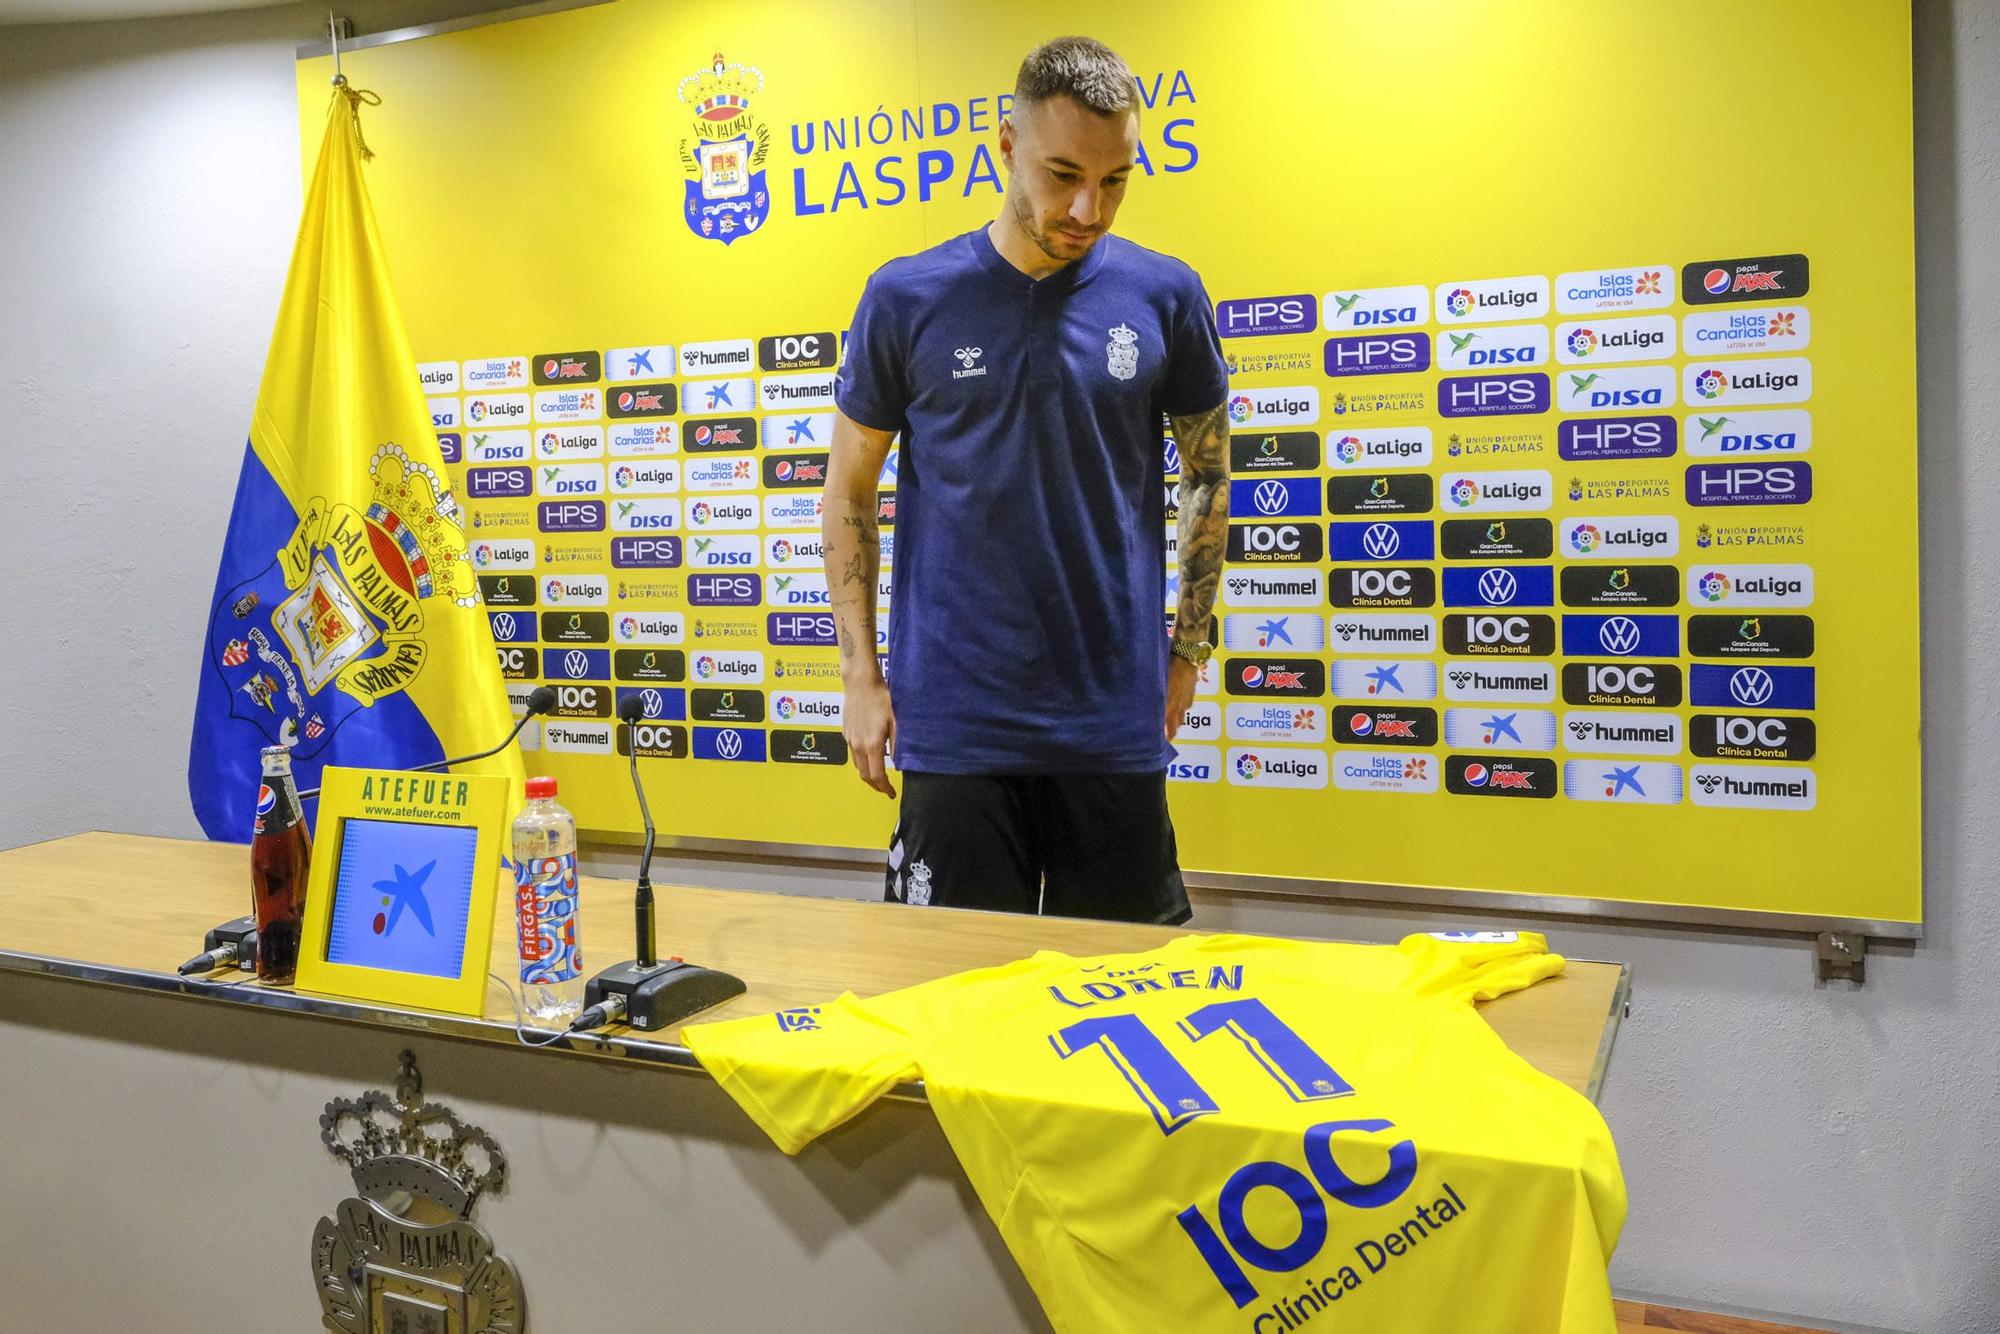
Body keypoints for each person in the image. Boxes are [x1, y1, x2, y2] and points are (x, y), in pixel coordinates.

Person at [822, 35, 1230, 925]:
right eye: (1062, 174)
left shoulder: (1165, 295)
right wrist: (860, 675)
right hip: (956, 728)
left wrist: (1189, 651)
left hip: (1110, 724)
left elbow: (1207, 475)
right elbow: (849, 493)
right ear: (1005, 147)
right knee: (949, 1003)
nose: (1088, 207)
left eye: (1116, 180)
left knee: (1124, 1009)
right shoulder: (905, 298)